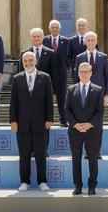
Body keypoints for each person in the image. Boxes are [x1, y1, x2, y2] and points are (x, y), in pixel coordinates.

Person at [9, 51, 54, 191]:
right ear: (22, 62)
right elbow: (13, 102)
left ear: (35, 61)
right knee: (24, 154)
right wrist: (13, 121)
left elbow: (49, 101)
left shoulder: (45, 77)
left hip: (41, 123)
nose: (28, 63)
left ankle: (42, 182)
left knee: (41, 153)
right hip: (22, 124)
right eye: (25, 61)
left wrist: (50, 118)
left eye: (30, 60)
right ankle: (25, 181)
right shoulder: (17, 78)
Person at [66, 62, 105, 195]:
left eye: (86, 71)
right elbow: (67, 110)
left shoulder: (98, 90)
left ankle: (92, 186)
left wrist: (89, 124)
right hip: (75, 131)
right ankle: (78, 186)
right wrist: (76, 125)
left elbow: (100, 111)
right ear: (78, 74)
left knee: (93, 159)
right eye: (81, 71)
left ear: (91, 73)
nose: (84, 74)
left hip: (92, 131)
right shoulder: (71, 90)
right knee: (76, 159)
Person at [26, 28, 58, 158]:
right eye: (34, 36)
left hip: (44, 95)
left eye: (38, 36)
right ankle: (32, 149)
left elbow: (55, 75)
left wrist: (54, 93)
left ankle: (43, 149)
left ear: (43, 37)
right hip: (28, 95)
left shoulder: (50, 53)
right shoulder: (25, 53)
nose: (36, 38)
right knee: (29, 123)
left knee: (45, 123)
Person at [73, 31, 108, 107]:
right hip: (84, 93)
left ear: (96, 42)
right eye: (88, 40)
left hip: (100, 93)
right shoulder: (79, 58)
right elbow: (76, 78)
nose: (90, 42)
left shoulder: (104, 57)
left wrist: (107, 95)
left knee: (99, 117)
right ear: (85, 42)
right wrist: (76, 94)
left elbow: (107, 77)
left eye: (92, 40)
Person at [44, 19, 71, 124]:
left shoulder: (66, 41)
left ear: (60, 29)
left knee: (62, 97)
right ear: (49, 29)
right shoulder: (44, 40)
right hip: (48, 74)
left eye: (56, 27)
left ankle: (63, 119)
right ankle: (47, 119)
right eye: (52, 27)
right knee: (47, 97)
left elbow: (69, 56)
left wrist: (66, 66)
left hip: (61, 74)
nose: (54, 29)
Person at [67, 18, 90, 84]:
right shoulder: (71, 40)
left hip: (89, 71)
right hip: (76, 72)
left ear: (86, 26)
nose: (81, 27)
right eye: (79, 25)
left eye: (83, 25)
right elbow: (68, 57)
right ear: (76, 27)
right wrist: (74, 67)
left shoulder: (91, 39)